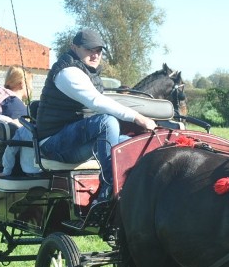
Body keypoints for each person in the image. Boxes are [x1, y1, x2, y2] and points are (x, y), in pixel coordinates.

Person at [36, 29, 156, 203]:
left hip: (77, 140)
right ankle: (108, 189)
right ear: (74, 48)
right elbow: (96, 101)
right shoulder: (67, 72)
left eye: (98, 50)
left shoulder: (88, 72)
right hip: (53, 144)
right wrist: (138, 117)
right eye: (89, 50)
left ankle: (138, 190)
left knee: (134, 144)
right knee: (107, 122)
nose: (95, 55)